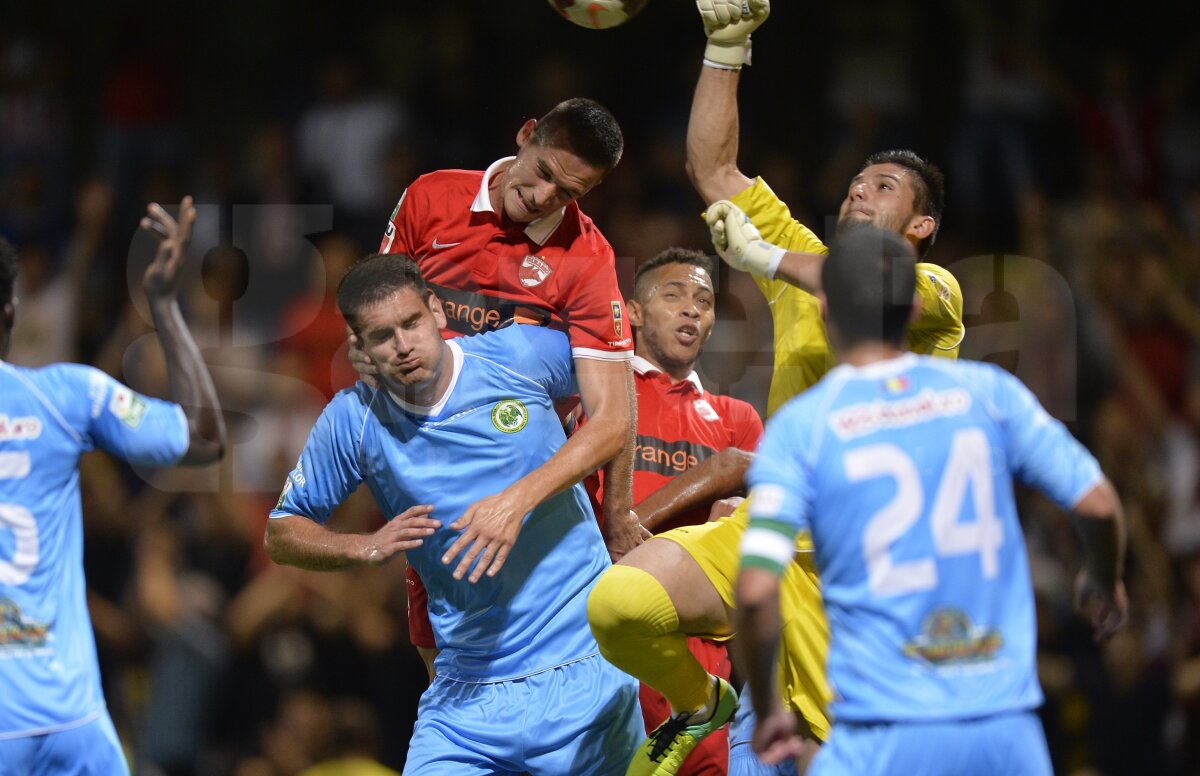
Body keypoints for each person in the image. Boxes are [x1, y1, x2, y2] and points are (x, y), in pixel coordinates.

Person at [585, 3, 966, 774]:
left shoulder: (937, 294)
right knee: (620, 603)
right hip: (768, 534)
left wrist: (762, 256)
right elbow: (714, 171)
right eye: (858, 181)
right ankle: (701, 703)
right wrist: (727, 47)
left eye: (885, 187)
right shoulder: (799, 264)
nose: (861, 191)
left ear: (920, 225)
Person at [736, 226, 1128, 774]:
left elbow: (755, 590)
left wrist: (769, 708)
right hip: (1004, 733)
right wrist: (1104, 577)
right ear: (915, 306)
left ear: (823, 306)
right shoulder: (989, 393)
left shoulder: (800, 429)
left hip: (883, 735)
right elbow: (1099, 504)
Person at [266, 254, 643, 774]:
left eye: (411, 323)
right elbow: (281, 533)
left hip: (584, 670)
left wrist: (519, 502)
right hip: (466, 699)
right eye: (381, 336)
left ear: (437, 312)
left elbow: (619, 381)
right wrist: (364, 545)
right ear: (358, 346)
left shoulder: (518, 355)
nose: (402, 346)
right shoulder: (352, 421)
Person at [370, 97, 644, 670]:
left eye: (568, 193)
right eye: (544, 172)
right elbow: (374, 319)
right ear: (525, 135)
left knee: (563, 668)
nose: (545, 198)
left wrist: (590, 513)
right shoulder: (431, 196)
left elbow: (614, 415)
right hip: (435, 469)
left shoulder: (589, 257)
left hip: (535, 484)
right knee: (441, 661)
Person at [0, 199, 227, 772]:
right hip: (73, 721)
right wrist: (165, 307)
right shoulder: (65, 395)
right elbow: (203, 437)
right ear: (12, 308)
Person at [584, 247, 762, 775]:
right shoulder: (596, 394)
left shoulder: (737, 418)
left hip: (699, 656)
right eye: (674, 295)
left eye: (704, 302)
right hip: (599, 645)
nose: (692, 309)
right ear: (633, 312)